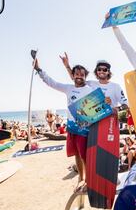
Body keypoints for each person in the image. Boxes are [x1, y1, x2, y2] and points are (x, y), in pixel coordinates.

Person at [33, 57, 94, 192]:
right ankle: (81, 179)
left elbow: (97, 108)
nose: (79, 77)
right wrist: (38, 69)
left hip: (84, 129)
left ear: (85, 77)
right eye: (77, 74)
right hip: (71, 128)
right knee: (77, 154)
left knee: (84, 155)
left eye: (82, 75)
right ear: (73, 76)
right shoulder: (68, 88)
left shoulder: (90, 89)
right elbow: (51, 83)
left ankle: (89, 181)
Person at [60, 53, 128, 113]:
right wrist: (67, 66)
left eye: (104, 70)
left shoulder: (115, 87)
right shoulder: (91, 84)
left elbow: (126, 105)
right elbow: (76, 79)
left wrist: (115, 109)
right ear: (96, 71)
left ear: (108, 72)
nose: (101, 71)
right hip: (95, 123)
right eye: (99, 69)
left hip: (111, 122)